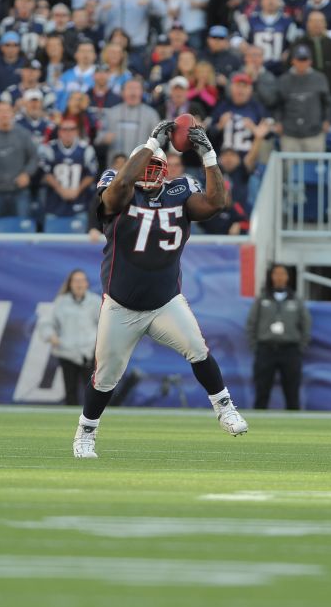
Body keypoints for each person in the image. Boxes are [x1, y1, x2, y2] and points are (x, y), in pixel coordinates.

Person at [72, 119, 249, 459]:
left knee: (198, 349)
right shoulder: (119, 188)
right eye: (146, 165)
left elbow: (216, 203)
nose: (150, 172)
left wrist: (209, 156)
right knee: (106, 375)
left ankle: (224, 407)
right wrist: (151, 144)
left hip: (165, 302)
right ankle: (85, 432)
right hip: (121, 306)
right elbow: (121, 184)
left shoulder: (179, 191)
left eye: (157, 167)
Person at [246, 264, 311, 411]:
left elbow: (306, 324)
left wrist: (301, 347)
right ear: (271, 276)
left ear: (288, 277)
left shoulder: (296, 300)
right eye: (276, 274)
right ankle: (258, 426)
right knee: (262, 390)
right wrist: (255, 346)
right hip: (266, 350)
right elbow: (251, 323)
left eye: (283, 274)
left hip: (290, 350)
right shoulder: (262, 299)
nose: (279, 277)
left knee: (292, 392)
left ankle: (295, 429)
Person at [37, 269, 101, 406]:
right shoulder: (61, 302)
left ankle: (91, 419)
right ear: (70, 284)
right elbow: (46, 322)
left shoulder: (95, 301)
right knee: (70, 390)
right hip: (67, 352)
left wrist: (100, 344)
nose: (79, 284)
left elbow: (104, 325)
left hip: (89, 352)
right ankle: (72, 421)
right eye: (76, 281)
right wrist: (51, 336)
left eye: (82, 281)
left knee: (92, 389)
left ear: (87, 284)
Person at [275, 45, 331, 153]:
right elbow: (278, 104)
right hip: (289, 132)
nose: (302, 63)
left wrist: (327, 120)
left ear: (310, 61)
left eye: (305, 59)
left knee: (315, 168)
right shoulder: (284, 80)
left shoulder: (319, 78)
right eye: (299, 59)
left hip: (314, 131)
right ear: (293, 61)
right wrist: (278, 121)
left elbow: (327, 102)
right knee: (289, 168)